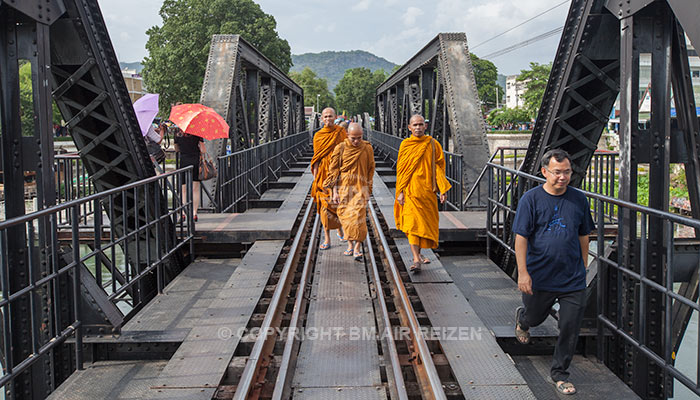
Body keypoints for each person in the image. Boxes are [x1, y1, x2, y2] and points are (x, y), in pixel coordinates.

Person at [512, 148, 595, 396]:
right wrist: (523, 272)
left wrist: (583, 263)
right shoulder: (531, 199)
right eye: (557, 172)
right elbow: (521, 237)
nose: (563, 177)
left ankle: (560, 374)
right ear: (545, 171)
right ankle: (523, 319)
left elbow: (584, 234)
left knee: (570, 326)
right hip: (540, 275)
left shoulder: (579, 199)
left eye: (567, 172)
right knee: (536, 317)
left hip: (572, 277)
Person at [394, 114, 451, 272]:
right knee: (412, 226)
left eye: (420, 125)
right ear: (409, 127)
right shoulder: (405, 145)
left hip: (428, 192)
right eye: (415, 125)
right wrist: (400, 192)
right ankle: (416, 258)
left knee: (423, 227)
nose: (418, 128)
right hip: (411, 192)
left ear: (425, 126)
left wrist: (442, 189)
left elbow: (439, 167)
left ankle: (418, 255)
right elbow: (401, 171)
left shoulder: (433, 144)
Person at [324, 122, 375, 260]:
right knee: (346, 218)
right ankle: (350, 244)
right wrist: (334, 192)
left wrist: (368, 189)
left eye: (359, 137)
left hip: (360, 188)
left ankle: (358, 247)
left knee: (358, 219)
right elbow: (333, 172)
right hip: (343, 188)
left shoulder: (367, 148)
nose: (357, 141)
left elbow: (371, 169)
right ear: (347, 135)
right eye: (353, 138)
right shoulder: (340, 148)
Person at [311, 107, 347, 249]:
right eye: (325, 117)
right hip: (324, 175)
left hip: (338, 173)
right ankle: (327, 238)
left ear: (335, 117)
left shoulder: (341, 132)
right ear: (321, 119)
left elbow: (347, 153)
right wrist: (316, 178)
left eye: (330, 116)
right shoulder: (318, 136)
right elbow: (316, 158)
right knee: (324, 207)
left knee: (338, 204)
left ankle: (339, 229)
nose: (328, 119)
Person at [174, 128, 204, 222]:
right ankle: (194, 213)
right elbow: (203, 150)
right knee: (195, 189)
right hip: (195, 161)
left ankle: (183, 213)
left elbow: (176, 149)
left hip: (183, 161)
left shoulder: (177, 132)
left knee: (183, 190)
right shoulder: (197, 131)